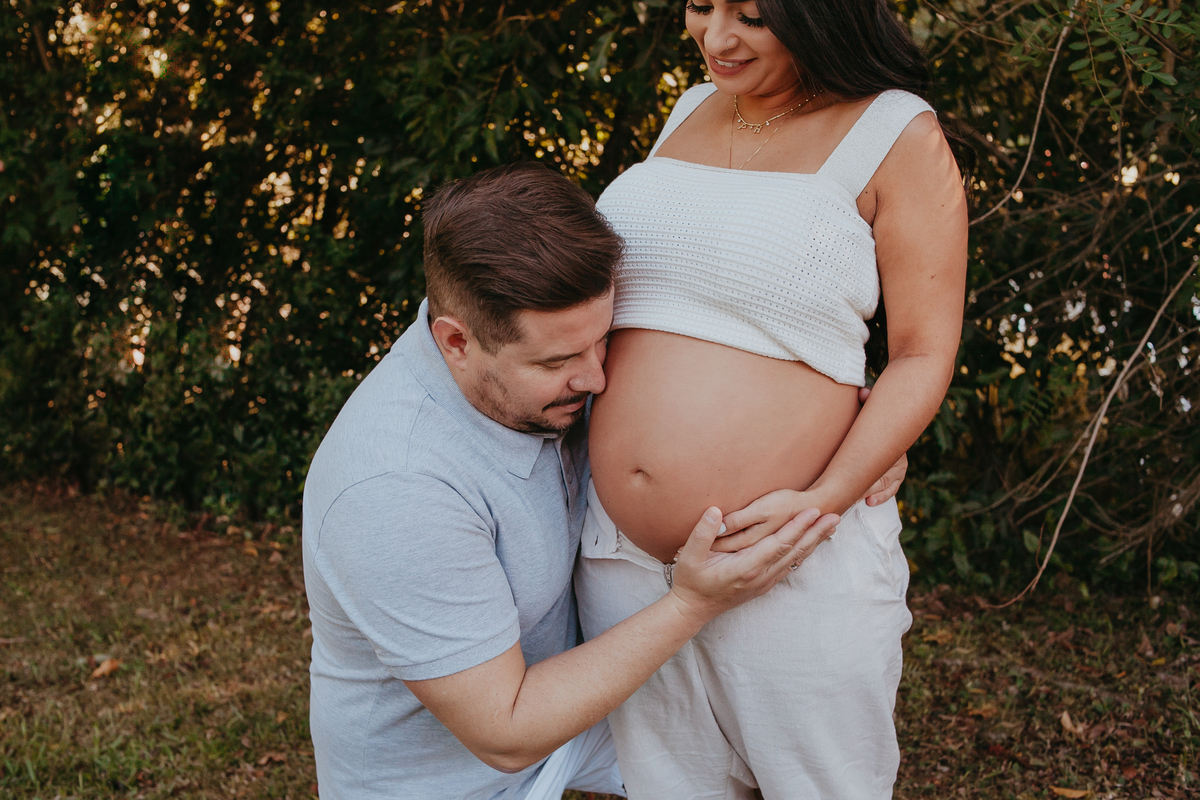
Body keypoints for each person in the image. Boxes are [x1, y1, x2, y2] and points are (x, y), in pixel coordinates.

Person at [300, 163, 845, 800]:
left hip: (566, 718)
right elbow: (504, 731)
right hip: (465, 772)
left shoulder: (524, 370)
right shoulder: (393, 489)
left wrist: (852, 432)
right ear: (456, 342)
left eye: (603, 340)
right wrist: (693, 603)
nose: (596, 381)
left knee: (758, 760)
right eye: (557, 361)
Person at [575, 1, 971, 798]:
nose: (715, 38)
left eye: (751, 16)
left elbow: (925, 353)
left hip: (794, 553)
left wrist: (826, 496)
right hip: (626, 560)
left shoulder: (897, 132)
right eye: (699, 6)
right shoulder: (689, 107)